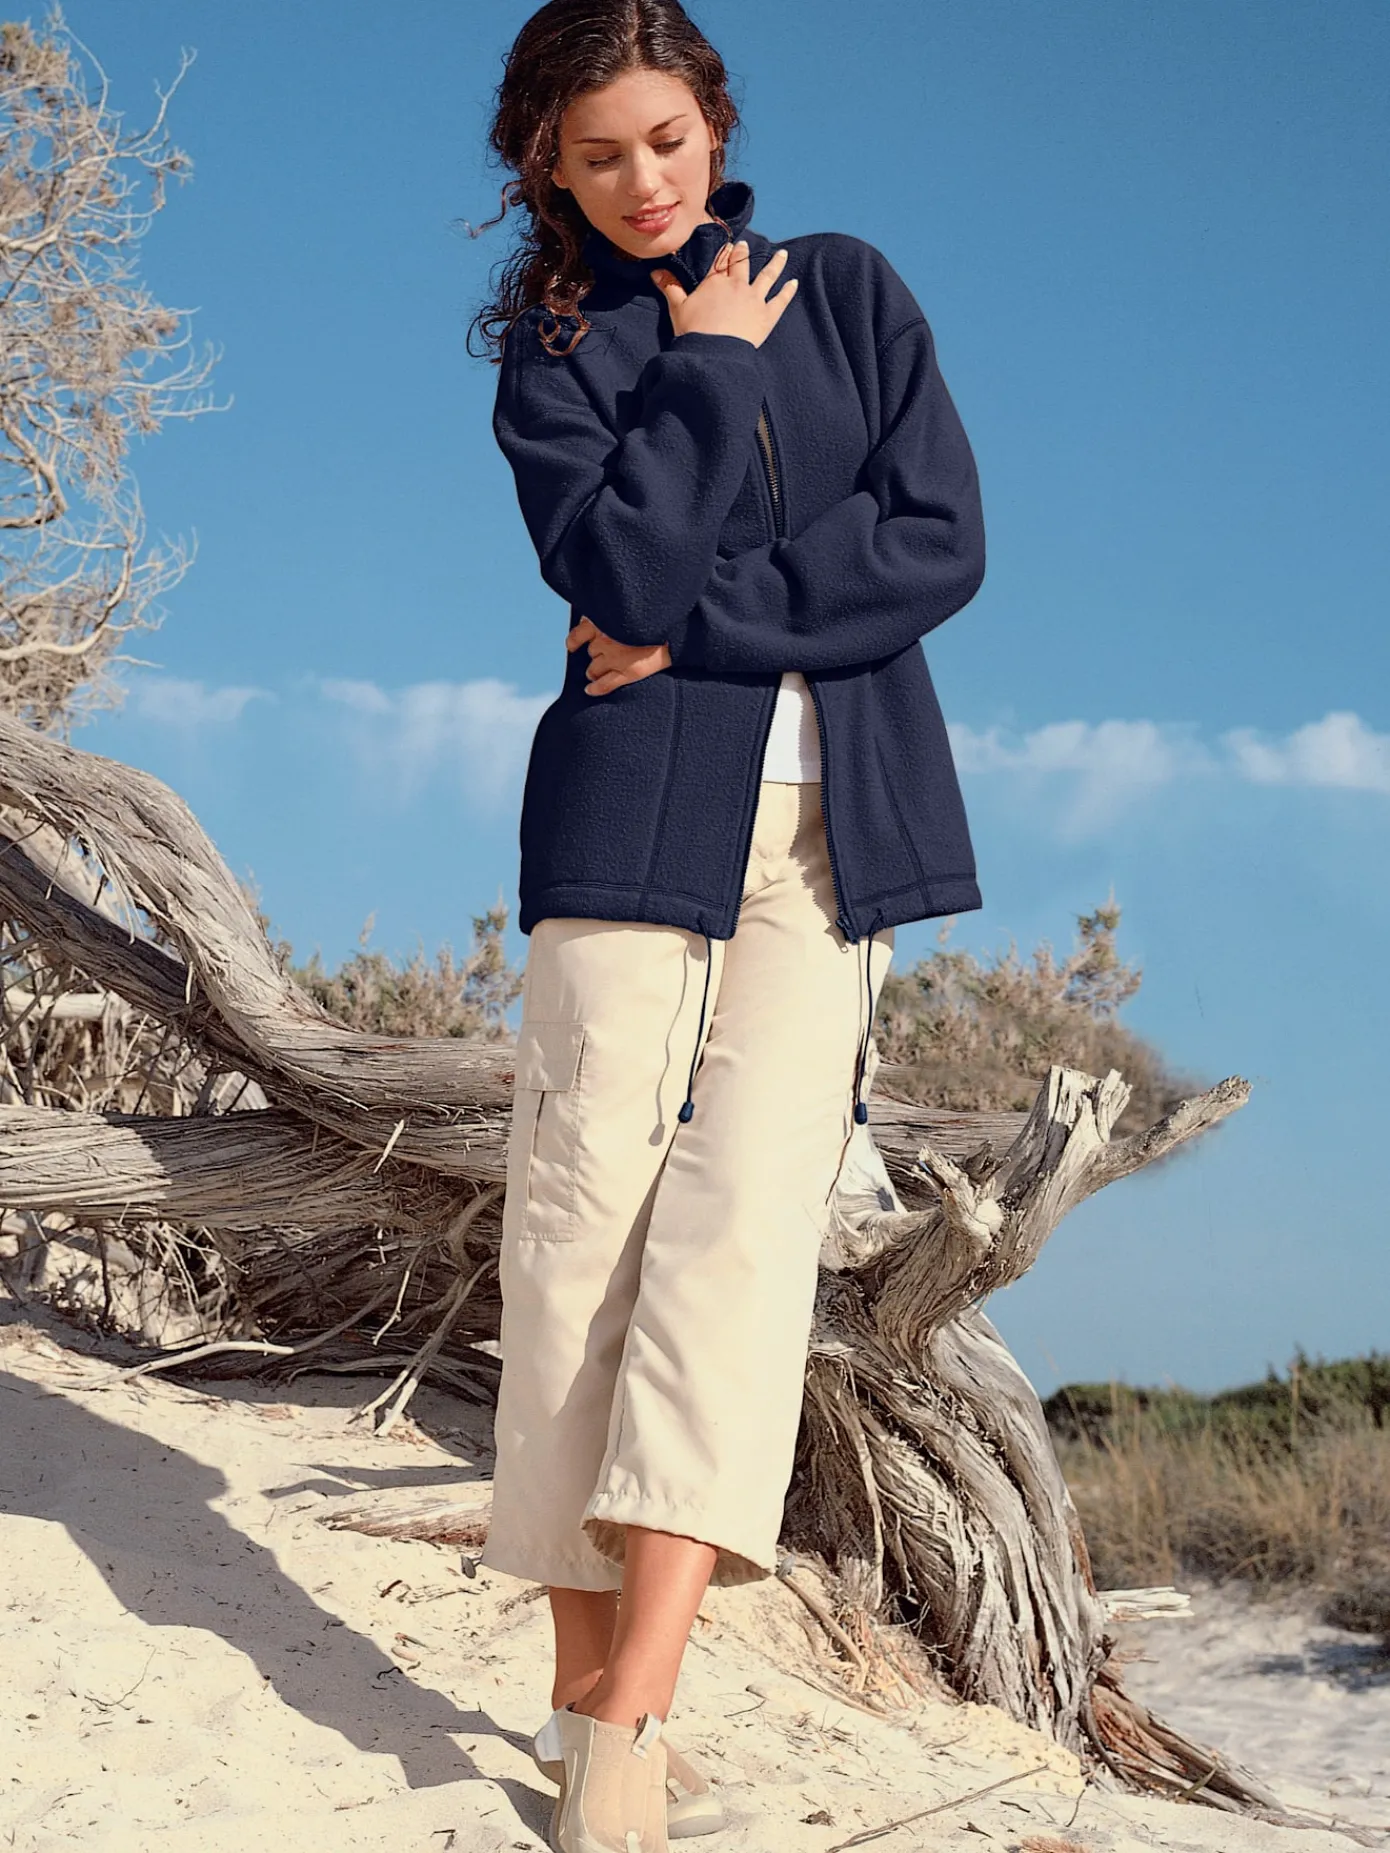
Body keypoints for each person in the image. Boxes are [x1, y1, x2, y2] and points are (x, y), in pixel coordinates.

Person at [471, 3, 985, 1847]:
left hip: (834, 835)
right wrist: (693, 367)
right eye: (598, 155)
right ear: (544, 163)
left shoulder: (844, 291)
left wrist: (696, 625)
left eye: (667, 141)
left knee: (742, 1247)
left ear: (717, 120)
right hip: (626, 827)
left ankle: (635, 1710)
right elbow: (611, 562)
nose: (643, 182)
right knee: (578, 1242)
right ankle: (573, 1686)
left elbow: (933, 543)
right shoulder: (556, 354)